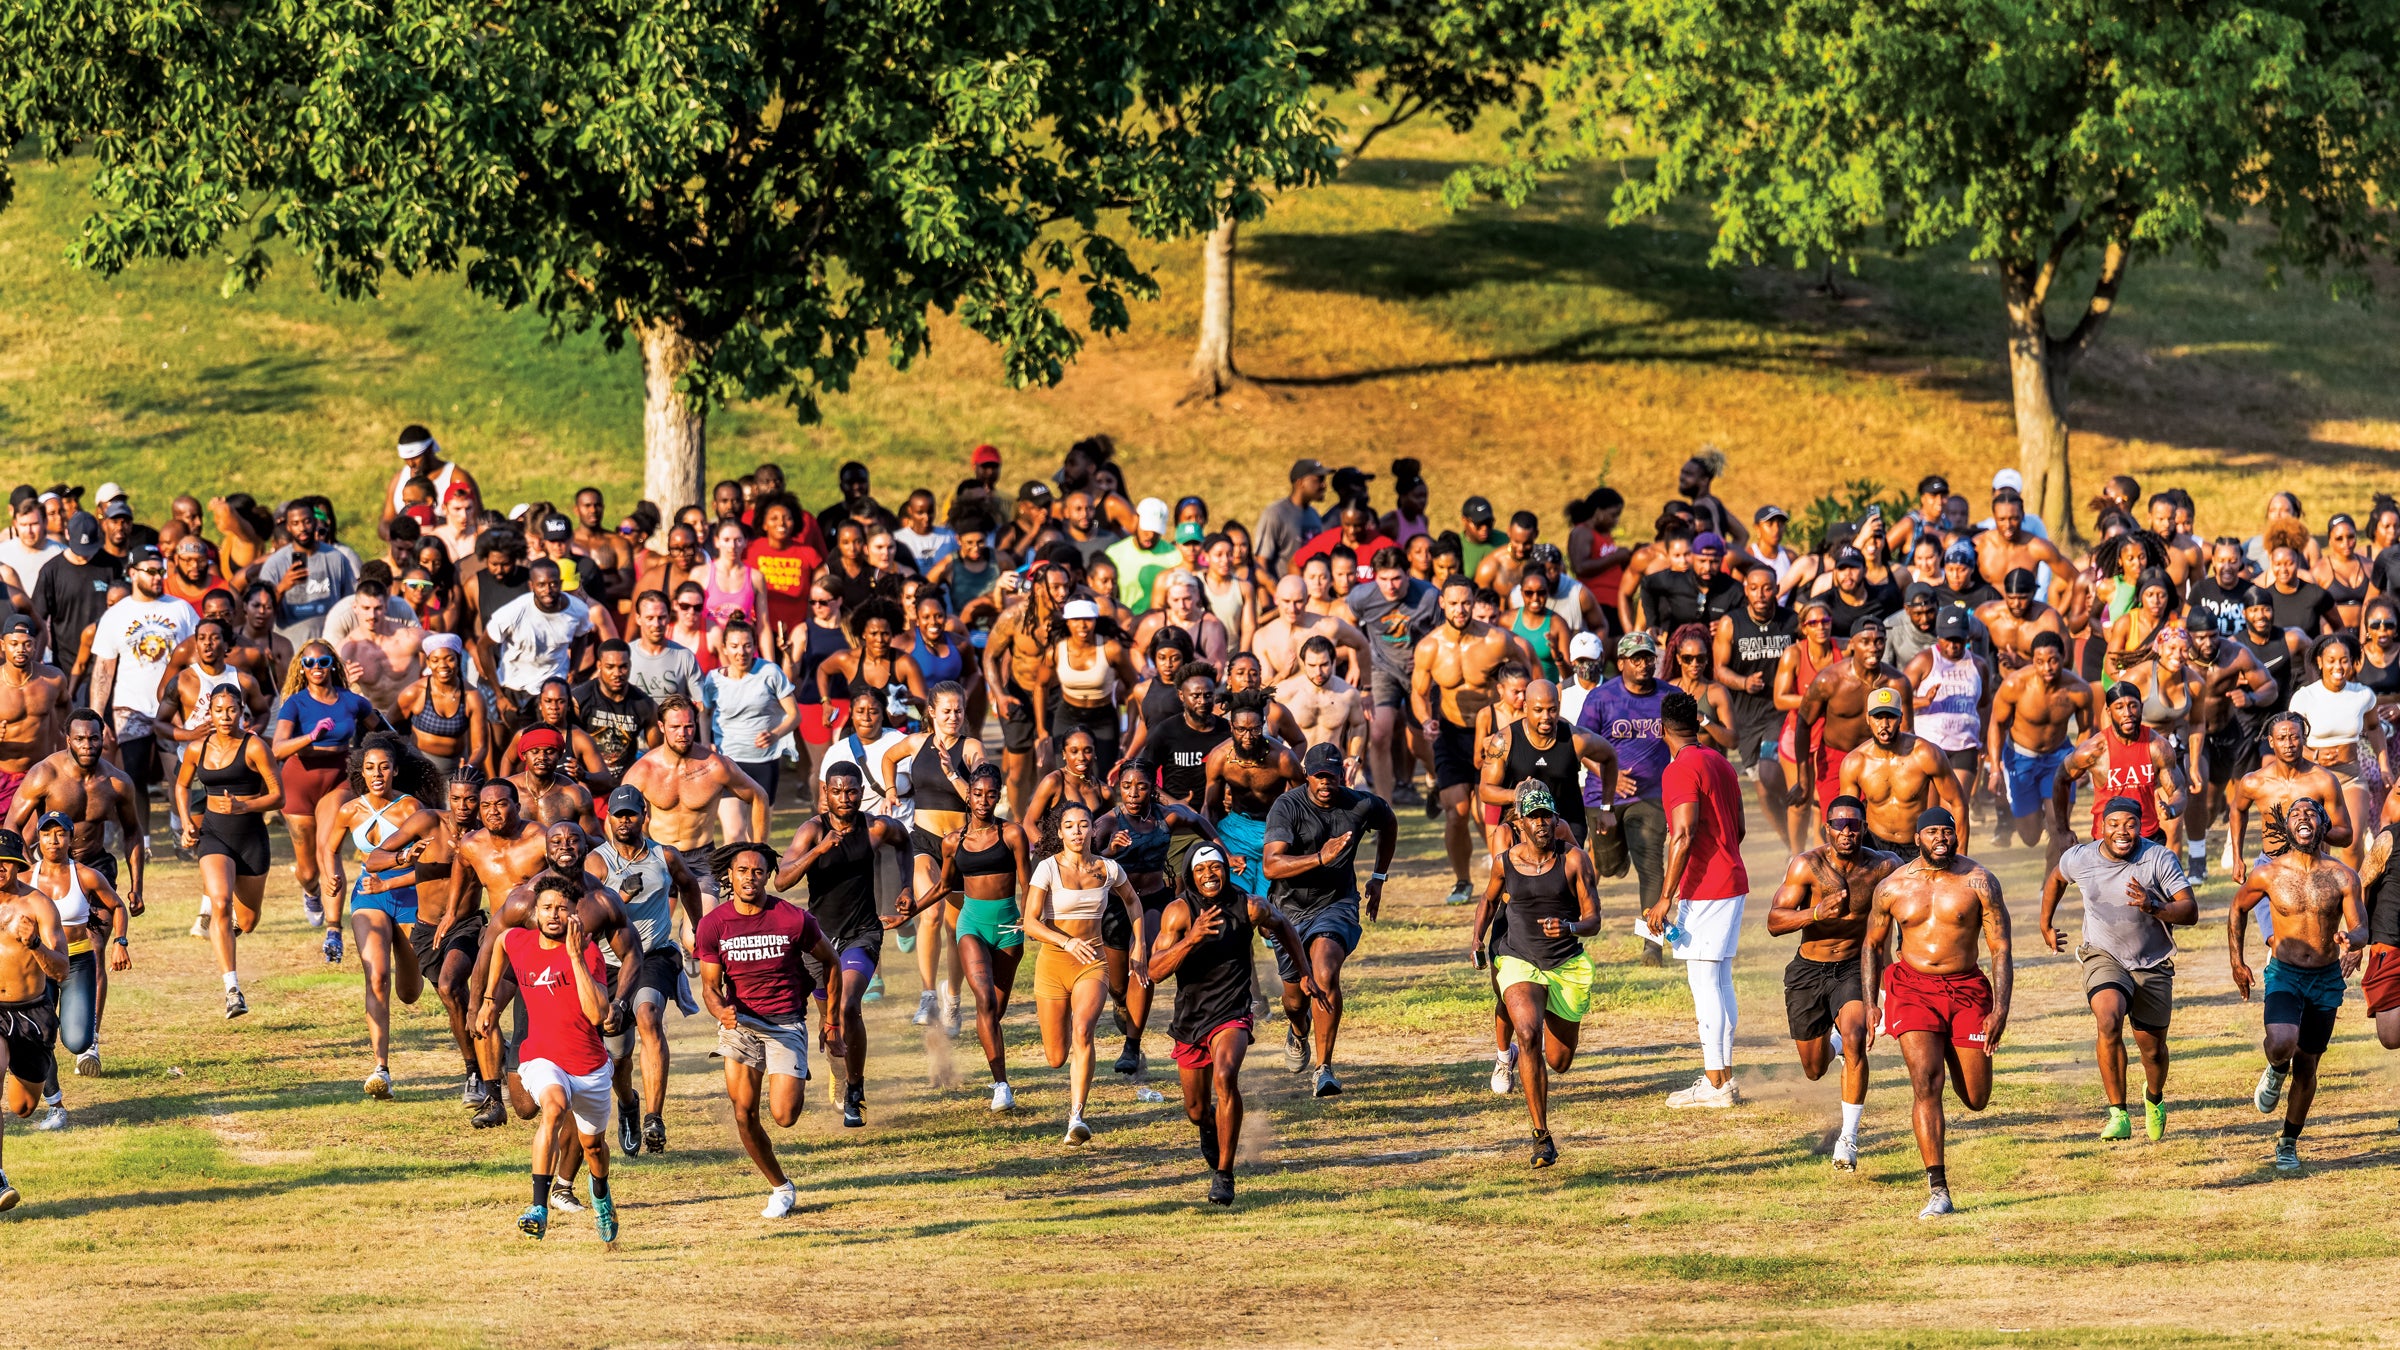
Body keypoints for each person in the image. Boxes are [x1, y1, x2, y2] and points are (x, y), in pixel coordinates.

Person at [1860, 807, 2012, 1218]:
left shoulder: (1978, 881)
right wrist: (1872, 1003)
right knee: (1926, 1081)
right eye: (1932, 832)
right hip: (1912, 989)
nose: (1941, 838)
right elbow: (1873, 945)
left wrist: (2000, 1008)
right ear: (1917, 838)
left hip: (1967, 991)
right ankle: (1938, 1189)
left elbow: (2000, 947)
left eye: (1947, 831)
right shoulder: (1892, 887)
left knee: (1977, 1099)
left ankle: (1949, 1042)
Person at [694, 839, 845, 1216]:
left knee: (784, 1116)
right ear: (730, 876)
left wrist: (831, 1022)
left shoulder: (792, 918)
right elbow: (710, 988)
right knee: (743, 1112)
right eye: (743, 871)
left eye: (758, 871)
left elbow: (832, 963)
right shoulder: (714, 924)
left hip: (785, 1023)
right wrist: (721, 1011)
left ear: (767, 876)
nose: (750, 878)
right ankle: (780, 1187)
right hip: (740, 1024)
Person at [2039, 797, 2199, 1143]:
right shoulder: (2081, 858)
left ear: (2140, 826)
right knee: (2108, 1017)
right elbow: (2056, 878)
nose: (2121, 831)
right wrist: (2045, 923)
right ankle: (2118, 1113)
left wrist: (2153, 905)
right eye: (2113, 824)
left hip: (2152, 961)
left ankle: (2154, 1098)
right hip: (2103, 953)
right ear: (2101, 827)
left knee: (2153, 1051)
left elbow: (2190, 911)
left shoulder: (2158, 858)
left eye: (2129, 824)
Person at [773, 761, 911, 1129]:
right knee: (828, 1021)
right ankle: (838, 1068)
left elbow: (904, 841)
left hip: (862, 934)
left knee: (848, 1006)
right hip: (818, 941)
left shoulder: (875, 828)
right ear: (826, 794)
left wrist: (907, 887)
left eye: (852, 791)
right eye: (837, 791)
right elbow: (782, 881)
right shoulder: (811, 830)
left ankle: (855, 1090)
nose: (845, 798)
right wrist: (818, 851)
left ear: (861, 792)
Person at [1471, 780, 1602, 1167]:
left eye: (1547, 815)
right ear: (1521, 823)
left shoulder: (1574, 859)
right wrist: (1477, 939)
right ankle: (1541, 1136)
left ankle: (1540, 1049)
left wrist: (1570, 927)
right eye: (1534, 816)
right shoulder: (1505, 862)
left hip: (1565, 964)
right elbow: (1488, 899)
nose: (1542, 823)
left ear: (1556, 819)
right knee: (1527, 1032)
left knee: (1559, 1061)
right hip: (1519, 958)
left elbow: (1594, 918)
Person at [1765, 795, 1899, 1170]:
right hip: (1809, 971)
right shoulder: (1806, 865)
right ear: (1827, 828)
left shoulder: (1884, 866)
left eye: (1854, 824)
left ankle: (1849, 1138)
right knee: (1813, 1069)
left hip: (1855, 968)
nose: (1846, 831)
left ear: (1864, 828)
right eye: (1839, 824)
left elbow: (1916, 890)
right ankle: (1833, 1042)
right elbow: (1774, 922)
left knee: (1857, 1037)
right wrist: (1814, 912)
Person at [482, 875, 619, 1243]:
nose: (553, 914)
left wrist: (574, 956)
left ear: (574, 913)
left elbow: (596, 1015)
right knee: (554, 1107)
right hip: (540, 1056)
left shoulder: (588, 953)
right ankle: (538, 1208)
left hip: (588, 1065)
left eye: (562, 908)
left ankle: (601, 1194)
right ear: (535, 913)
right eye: (546, 908)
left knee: (593, 1147)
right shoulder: (519, 940)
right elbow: (500, 944)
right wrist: (489, 1000)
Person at [2231, 798, 2363, 1171]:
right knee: (2282, 1044)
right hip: (2285, 973)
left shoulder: (2342, 876)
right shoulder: (2269, 874)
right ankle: (2275, 1068)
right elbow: (2238, 908)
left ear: (2324, 826)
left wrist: (2355, 940)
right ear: (2285, 828)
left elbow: (2361, 925)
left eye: (2311, 813)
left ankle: (2288, 1142)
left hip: (2325, 979)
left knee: (2307, 1064)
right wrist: (2236, 961)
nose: (2303, 818)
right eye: (2295, 814)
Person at [1259, 741, 1396, 1099]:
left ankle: (1324, 1069)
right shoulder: (1287, 806)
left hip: (1336, 903)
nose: (1325, 783)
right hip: (1288, 909)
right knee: (1293, 999)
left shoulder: (1360, 803)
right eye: (1319, 776)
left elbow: (1389, 822)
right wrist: (1320, 857)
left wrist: (1378, 878)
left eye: (1331, 776)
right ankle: (1297, 1028)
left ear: (1341, 776)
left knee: (1324, 971)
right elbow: (1271, 866)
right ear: (1307, 775)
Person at [1635, 691, 1749, 1108]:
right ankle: (1723, 1078)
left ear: (1660, 728)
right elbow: (1738, 829)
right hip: (1731, 880)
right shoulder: (1720, 761)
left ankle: (1716, 1084)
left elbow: (1682, 834)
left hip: (1708, 887)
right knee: (1719, 981)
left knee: (1705, 985)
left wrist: (1666, 897)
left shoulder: (1680, 768)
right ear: (1697, 723)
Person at [585, 786, 704, 1155]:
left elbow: (689, 885)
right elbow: (587, 915)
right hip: (608, 961)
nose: (624, 821)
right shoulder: (596, 862)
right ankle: (628, 1104)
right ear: (609, 820)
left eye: (631, 815)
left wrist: (695, 928)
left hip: (653, 954)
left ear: (644, 816)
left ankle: (654, 1116)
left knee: (649, 1015)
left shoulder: (663, 855)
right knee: (617, 1054)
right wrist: (620, 897)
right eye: (618, 815)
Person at [317, 737, 438, 1098]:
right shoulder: (349, 810)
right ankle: (381, 1069)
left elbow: (427, 859)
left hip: (407, 899)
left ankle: (409, 972)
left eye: (384, 766)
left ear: (395, 769)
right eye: (370, 768)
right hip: (368, 898)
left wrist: (398, 871)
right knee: (377, 977)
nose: (377, 774)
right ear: (361, 772)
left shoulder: (411, 807)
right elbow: (329, 847)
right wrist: (330, 873)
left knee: (410, 991)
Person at [1019, 800, 1145, 1142]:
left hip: (1093, 963)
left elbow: (1133, 902)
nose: (1077, 831)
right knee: (1056, 1056)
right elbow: (1030, 922)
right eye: (1070, 825)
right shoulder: (1046, 868)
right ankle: (1072, 1103)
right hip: (1052, 964)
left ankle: (1076, 1117)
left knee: (1084, 1030)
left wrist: (1140, 947)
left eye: (1084, 824)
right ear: (1059, 833)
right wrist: (1065, 942)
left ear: (1093, 829)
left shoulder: (1107, 869)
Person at [1093, 757, 1223, 1075]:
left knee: (1145, 965)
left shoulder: (1166, 817)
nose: (1133, 793)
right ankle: (1122, 1004)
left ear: (1153, 789)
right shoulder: (1109, 822)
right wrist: (1109, 851)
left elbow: (1197, 819)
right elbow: (1084, 861)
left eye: (1141, 786)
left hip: (1153, 900)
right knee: (1118, 985)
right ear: (1118, 788)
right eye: (1126, 786)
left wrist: (1220, 848)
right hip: (1115, 907)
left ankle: (1131, 1046)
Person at [915, 764, 1031, 1110]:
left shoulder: (1012, 834)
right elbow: (945, 886)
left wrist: (1033, 918)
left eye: (991, 794)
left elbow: (1028, 882)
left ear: (998, 796)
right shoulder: (954, 841)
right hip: (972, 925)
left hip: (1009, 926)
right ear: (968, 796)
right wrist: (909, 911)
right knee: (984, 1000)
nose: (983, 800)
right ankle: (1002, 1086)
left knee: (996, 1010)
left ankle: (998, 1075)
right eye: (977, 793)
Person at [878, 682, 982, 1035]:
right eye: (947, 710)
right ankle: (927, 996)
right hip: (922, 839)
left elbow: (979, 798)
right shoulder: (916, 742)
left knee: (956, 928)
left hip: (960, 844)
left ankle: (952, 999)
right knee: (931, 912)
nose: (953, 716)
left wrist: (953, 773)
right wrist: (891, 790)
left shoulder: (971, 749)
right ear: (932, 712)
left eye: (959, 710)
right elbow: (888, 757)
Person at [87, 544, 197, 847]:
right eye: (150, 571)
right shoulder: (116, 614)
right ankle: (143, 841)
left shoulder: (181, 609)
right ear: (132, 573)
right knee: (133, 776)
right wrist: (97, 716)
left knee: (178, 772)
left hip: (173, 707)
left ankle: (180, 829)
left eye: (161, 571)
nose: (158, 577)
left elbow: (197, 660)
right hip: (130, 706)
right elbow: (104, 670)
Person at [23, 811, 127, 1125]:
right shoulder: (26, 877)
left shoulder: (86, 875)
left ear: (71, 839)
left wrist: (119, 940)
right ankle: (56, 1107)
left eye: (60, 834)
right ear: (38, 840)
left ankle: (71, 1039)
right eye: (46, 834)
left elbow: (117, 906)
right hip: (39, 963)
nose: (53, 841)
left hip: (78, 961)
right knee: (41, 1035)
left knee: (78, 1041)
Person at [1413, 576, 1510, 905]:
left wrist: (1516, 716)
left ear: (1472, 602)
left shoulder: (1495, 641)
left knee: (1488, 812)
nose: (1459, 609)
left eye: (1465, 602)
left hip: (1491, 734)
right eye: (1453, 603)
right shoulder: (1430, 646)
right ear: (1442, 603)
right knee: (1456, 812)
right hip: (1450, 734)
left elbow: (1531, 672)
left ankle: (1508, 878)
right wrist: (1426, 720)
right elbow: (1418, 692)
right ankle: (1462, 880)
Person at [6, 709, 147, 921]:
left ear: (103, 739)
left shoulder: (117, 783)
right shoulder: (45, 774)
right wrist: (30, 871)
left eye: (93, 739)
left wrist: (137, 887)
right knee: (51, 938)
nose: (87, 746)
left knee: (96, 940)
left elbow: (133, 832)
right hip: (49, 864)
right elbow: (12, 824)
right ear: (68, 741)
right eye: (79, 739)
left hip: (95, 863)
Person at [620, 696, 771, 886]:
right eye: (675, 727)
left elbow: (759, 796)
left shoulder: (716, 766)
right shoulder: (643, 771)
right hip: (658, 855)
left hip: (702, 856)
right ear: (661, 727)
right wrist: (625, 859)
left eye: (688, 726)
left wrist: (758, 850)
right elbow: (616, 815)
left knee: (705, 915)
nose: (682, 733)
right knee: (656, 916)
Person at [2051, 682, 2192, 867]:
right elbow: (2061, 779)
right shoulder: (2094, 750)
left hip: (2147, 839)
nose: (2127, 712)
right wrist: (2062, 831)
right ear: (2109, 712)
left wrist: (2171, 809)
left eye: (2133, 706)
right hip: (2107, 841)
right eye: (2119, 707)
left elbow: (2178, 791)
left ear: (2141, 707)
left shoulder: (2157, 746)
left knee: (2151, 895)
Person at [0, 828, 65, 1210]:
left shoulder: (39, 906)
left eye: (6, 862)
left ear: (19, 864)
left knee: (23, 1108)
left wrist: (35, 943)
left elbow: (61, 971)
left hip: (32, 1013)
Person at [1987, 631, 2095, 858]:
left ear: (2064, 658)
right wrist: (1995, 769)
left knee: (2059, 826)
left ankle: (2047, 888)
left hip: (2059, 757)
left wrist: (2080, 762)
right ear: (2033, 661)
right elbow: (1996, 724)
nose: (2047, 668)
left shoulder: (2079, 690)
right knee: (2030, 837)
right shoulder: (2015, 684)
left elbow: (2086, 728)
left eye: (2053, 661)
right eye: (2040, 662)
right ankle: (2018, 812)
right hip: (2020, 757)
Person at [1796, 618, 1913, 821]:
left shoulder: (1897, 682)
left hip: (1879, 758)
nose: (1874, 648)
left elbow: (1907, 732)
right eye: (1865, 641)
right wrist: (1803, 777)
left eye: (1879, 641)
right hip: (1835, 760)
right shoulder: (1829, 680)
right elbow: (1803, 724)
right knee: (1838, 824)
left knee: (1876, 825)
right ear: (1852, 643)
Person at [1714, 565, 1797, 847]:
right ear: (1745, 591)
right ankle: (1788, 841)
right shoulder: (1731, 623)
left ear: (1776, 590)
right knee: (1762, 790)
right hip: (1746, 717)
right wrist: (1743, 682)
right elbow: (1719, 669)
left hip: (1781, 713)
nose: (1761, 594)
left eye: (1767, 588)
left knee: (1771, 771)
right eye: (1754, 588)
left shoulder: (1790, 621)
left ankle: (1799, 829)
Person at [1840, 686, 1968, 858]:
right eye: (1878, 717)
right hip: (1873, 845)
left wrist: (1960, 858)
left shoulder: (1926, 754)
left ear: (1901, 717)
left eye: (1891, 717)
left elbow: (1957, 803)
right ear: (1868, 719)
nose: (1884, 725)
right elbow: (1847, 815)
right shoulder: (1855, 762)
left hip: (1916, 845)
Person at [482, 559, 597, 736]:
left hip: (552, 689)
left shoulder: (578, 610)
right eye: (541, 585)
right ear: (531, 586)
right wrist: (499, 694)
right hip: (515, 689)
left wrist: (574, 669)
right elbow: (483, 647)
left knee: (551, 743)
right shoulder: (514, 612)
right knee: (519, 747)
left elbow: (582, 637)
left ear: (560, 583)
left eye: (553, 584)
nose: (548, 590)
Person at [1903, 607, 1991, 827]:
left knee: (1955, 811)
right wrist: (1923, 702)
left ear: (1967, 638)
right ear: (1939, 637)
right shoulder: (1924, 661)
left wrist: (1984, 737)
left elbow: (1985, 703)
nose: (1953, 645)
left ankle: (1958, 860)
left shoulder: (1978, 665)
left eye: (1959, 640)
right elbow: (1897, 699)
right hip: (1929, 747)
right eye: (1948, 640)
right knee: (1928, 813)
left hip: (1964, 746)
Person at [0, 615, 70, 828]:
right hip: (3, 773)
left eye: (27, 644)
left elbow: (69, 723)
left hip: (38, 774)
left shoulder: (53, 679)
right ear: (3, 645)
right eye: (14, 644)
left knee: (26, 840)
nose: (20, 649)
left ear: (35, 646)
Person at [257, 500, 358, 646]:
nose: (302, 528)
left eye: (307, 521)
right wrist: (282, 588)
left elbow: (350, 604)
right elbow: (261, 614)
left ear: (315, 523)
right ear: (288, 527)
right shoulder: (275, 564)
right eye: (296, 523)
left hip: (331, 649)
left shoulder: (336, 558)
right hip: (291, 651)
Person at [397, 632, 488, 776]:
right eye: (435, 660)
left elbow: (480, 747)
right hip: (418, 769)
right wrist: (400, 757)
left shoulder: (472, 696)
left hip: (455, 769)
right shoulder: (414, 692)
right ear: (428, 663)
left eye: (449, 659)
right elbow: (387, 726)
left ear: (459, 659)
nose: (443, 665)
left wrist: (468, 769)